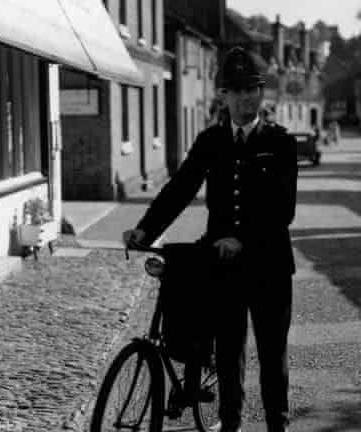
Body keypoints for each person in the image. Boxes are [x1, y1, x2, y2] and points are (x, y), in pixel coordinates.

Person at [123, 46, 298, 432]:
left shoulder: (281, 143)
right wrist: (144, 230)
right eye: (237, 90)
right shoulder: (210, 141)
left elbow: (282, 209)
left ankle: (277, 426)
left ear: (262, 93)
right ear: (224, 95)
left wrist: (242, 239)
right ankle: (230, 424)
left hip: (268, 265)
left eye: (252, 88)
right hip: (223, 266)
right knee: (227, 353)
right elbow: (179, 189)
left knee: (272, 356)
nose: (246, 97)